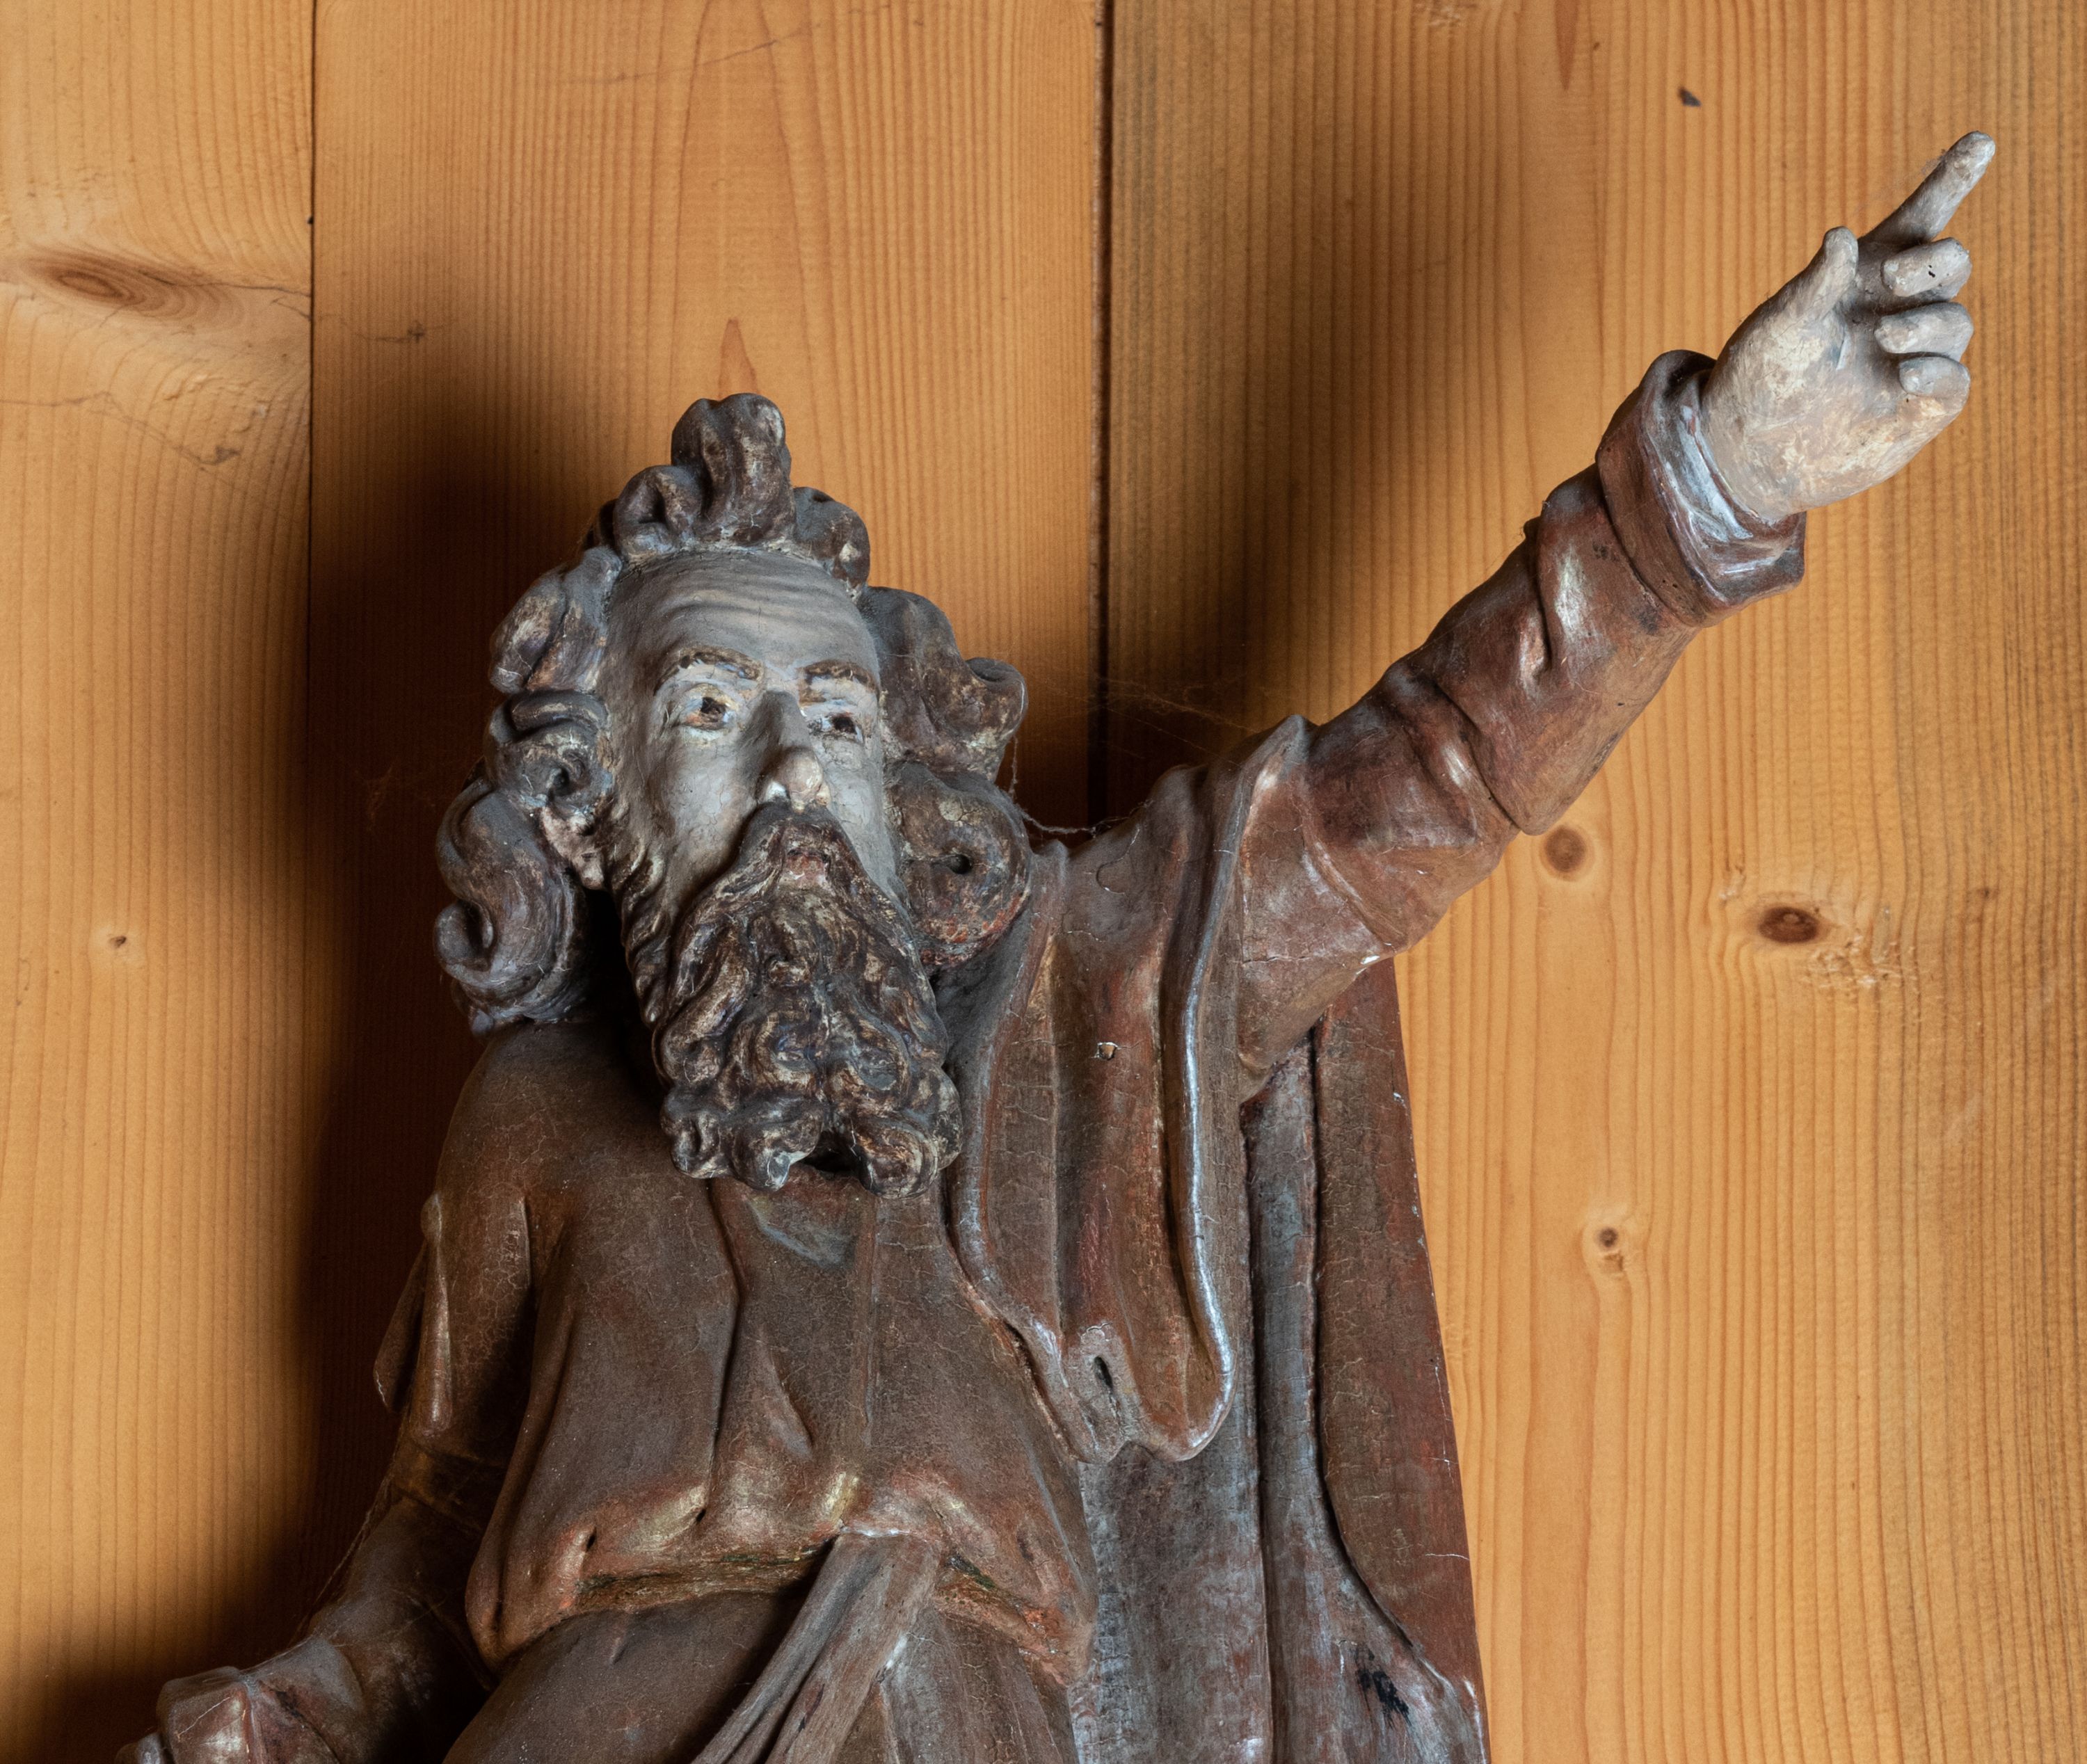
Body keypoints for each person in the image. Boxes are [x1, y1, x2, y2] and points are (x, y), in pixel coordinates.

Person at [125, 134, 1994, 1764]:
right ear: (590, 809)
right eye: (706, 713)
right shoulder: (529, 1123)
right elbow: (430, 1547)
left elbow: (1395, 803)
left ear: (902, 790)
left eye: (836, 722)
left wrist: (1701, 500)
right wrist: (284, 1717)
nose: (792, 771)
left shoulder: (1050, 1038)